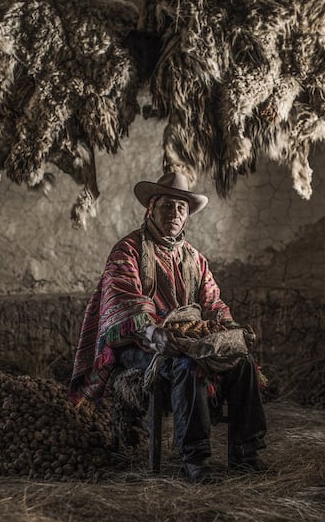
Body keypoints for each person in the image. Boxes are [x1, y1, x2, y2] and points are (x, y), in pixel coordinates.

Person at [69, 172, 267, 483]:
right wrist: (155, 334)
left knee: (243, 362)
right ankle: (195, 459)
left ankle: (246, 452)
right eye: (167, 206)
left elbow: (213, 303)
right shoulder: (128, 250)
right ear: (150, 208)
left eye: (181, 208)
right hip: (139, 345)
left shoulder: (194, 259)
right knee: (186, 365)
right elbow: (123, 301)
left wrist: (231, 330)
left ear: (188, 215)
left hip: (184, 341)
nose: (174, 214)